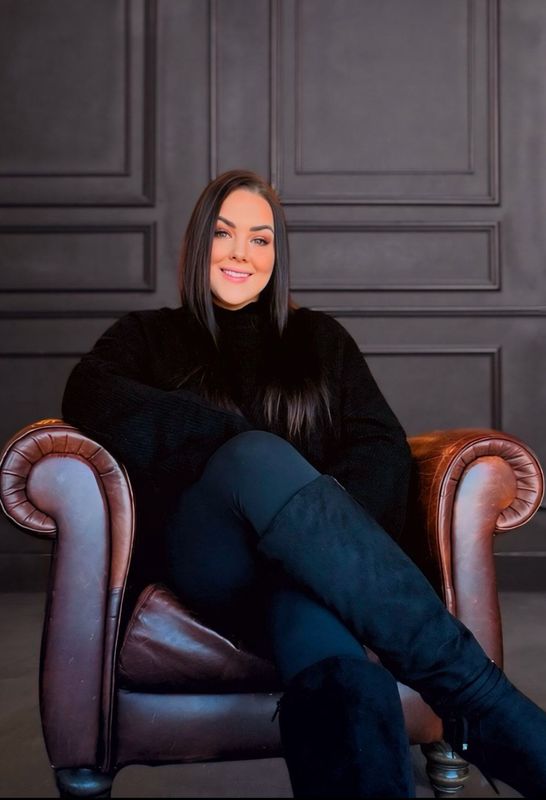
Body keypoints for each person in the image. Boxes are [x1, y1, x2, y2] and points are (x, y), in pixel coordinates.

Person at [62, 169, 546, 798]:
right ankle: (485, 705)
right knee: (254, 458)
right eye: (224, 233)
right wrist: (236, 445)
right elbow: (88, 394)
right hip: (210, 558)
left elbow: (380, 447)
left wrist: (317, 530)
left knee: (326, 643)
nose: (241, 252)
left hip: (305, 575)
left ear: (276, 255)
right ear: (195, 244)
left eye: (261, 239)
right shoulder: (145, 336)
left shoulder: (320, 340)